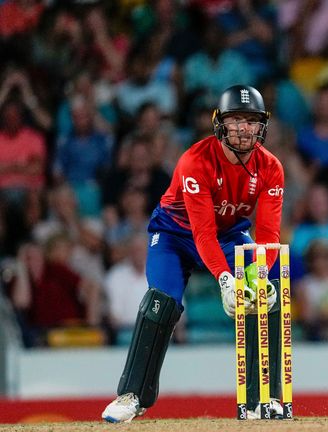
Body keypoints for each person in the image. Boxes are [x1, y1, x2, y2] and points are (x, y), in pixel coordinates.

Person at [101, 85, 285, 422]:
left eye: (251, 121)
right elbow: (201, 233)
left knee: (268, 289)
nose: (243, 129)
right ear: (220, 124)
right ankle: (132, 396)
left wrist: (260, 275)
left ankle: (267, 399)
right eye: (235, 120)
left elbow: (268, 235)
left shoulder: (271, 167)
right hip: (174, 234)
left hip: (228, 236)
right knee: (161, 303)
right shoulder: (195, 161)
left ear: (262, 126)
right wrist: (226, 280)